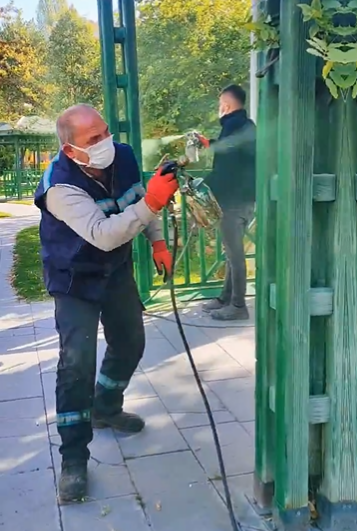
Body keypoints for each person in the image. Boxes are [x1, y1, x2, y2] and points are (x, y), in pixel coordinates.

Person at [34, 104, 178, 503]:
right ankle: (74, 459)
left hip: (115, 272)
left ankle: (106, 407)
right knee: (76, 363)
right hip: (74, 278)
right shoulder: (59, 186)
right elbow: (104, 233)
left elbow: (138, 198)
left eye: (105, 132)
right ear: (70, 151)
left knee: (131, 341)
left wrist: (159, 241)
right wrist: (152, 204)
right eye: (92, 140)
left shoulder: (125, 156)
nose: (104, 143)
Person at [198, 85, 256, 321]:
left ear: (227, 105)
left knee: (234, 254)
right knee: (232, 252)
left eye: (220, 102)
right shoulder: (244, 126)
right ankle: (225, 298)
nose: (219, 107)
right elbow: (233, 154)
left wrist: (204, 184)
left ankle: (238, 305)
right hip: (244, 198)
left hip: (233, 200)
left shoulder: (234, 127)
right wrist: (209, 143)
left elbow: (227, 168)